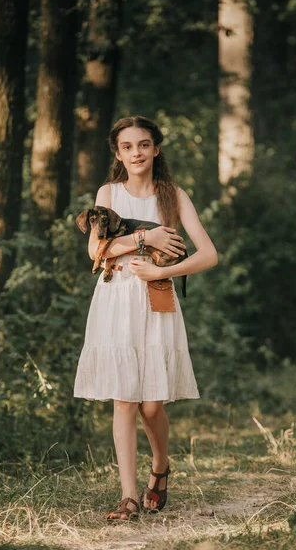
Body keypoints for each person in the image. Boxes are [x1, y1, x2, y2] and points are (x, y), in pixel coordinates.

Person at [73, 115, 218, 521]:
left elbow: (208, 255)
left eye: (143, 144)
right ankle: (129, 498)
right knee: (124, 400)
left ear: (156, 148)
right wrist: (144, 238)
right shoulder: (109, 192)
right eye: (127, 146)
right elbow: (95, 251)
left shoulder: (173, 196)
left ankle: (160, 466)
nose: (136, 153)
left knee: (152, 406)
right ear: (118, 153)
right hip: (115, 298)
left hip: (157, 298)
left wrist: (162, 271)